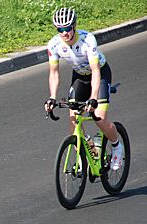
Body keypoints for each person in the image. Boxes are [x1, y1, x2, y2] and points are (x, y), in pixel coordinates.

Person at [44, 7, 123, 170]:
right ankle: (84, 155)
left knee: (98, 117)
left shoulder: (88, 40)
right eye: (60, 29)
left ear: (74, 26)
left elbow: (95, 71)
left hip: (100, 74)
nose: (64, 33)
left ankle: (116, 146)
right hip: (80, 77)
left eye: (67, 28)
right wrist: (52, 97)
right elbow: (54, 73)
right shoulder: (54, 45)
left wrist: (93, 98)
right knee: (73, 120)